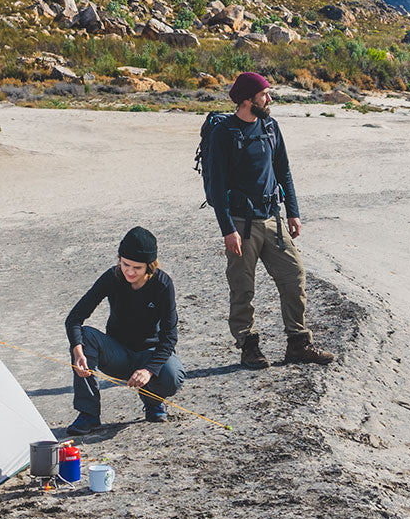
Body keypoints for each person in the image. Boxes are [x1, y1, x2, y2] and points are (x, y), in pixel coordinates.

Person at [208, 71, 335, 369]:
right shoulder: (223, 133)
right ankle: (248, 347)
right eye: (265, 94)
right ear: (246, 99)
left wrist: (293, 211)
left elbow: (284, 172)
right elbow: (215, 186)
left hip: (273, 219)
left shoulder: (270, 126)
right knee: (242, 288)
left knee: (294, 277)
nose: (270, 99)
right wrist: (228, 229)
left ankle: (298, 343)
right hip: (240, 223)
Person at [64, 226, 185, 435]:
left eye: (137, 267)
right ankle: (89, 414)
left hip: (150, 354)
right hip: (117, 354)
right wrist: (77, 352)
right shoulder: (112, 277)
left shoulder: (163, 285)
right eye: (125, 264)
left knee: (173, 376)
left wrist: (148, 370)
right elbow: (74, 318)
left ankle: (152, 400)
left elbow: (170, 337)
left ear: (150, 266)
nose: (129, 272)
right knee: (84, 337)